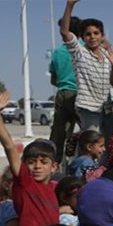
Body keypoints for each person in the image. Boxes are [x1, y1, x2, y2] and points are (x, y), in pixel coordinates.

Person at [0, 91, 60, 226]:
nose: (37, 166)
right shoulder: (26, 183)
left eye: (43, 162)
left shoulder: (54, 188)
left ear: (54, 167)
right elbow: (9, 147)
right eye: (31, 162)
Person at [61, 0, 113, 135]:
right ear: (82, 37)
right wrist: (70, 5)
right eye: (88, 34)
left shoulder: (107, 55)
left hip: (106, 108)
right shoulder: (80, 52)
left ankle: (77, 138)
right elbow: (65, 33)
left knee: (108, 143)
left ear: (102, 36)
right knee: (92, 143)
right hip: (88, 108)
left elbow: (108, 46)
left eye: (96, 33)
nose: (92, 37)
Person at [49, 15, 82, 161]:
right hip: (80, 94)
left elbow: (53, 79)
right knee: (89, 130)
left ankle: (53, 162)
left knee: (58, 133)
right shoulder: (84, 48)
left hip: (62, 93)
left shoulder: (57, 52)